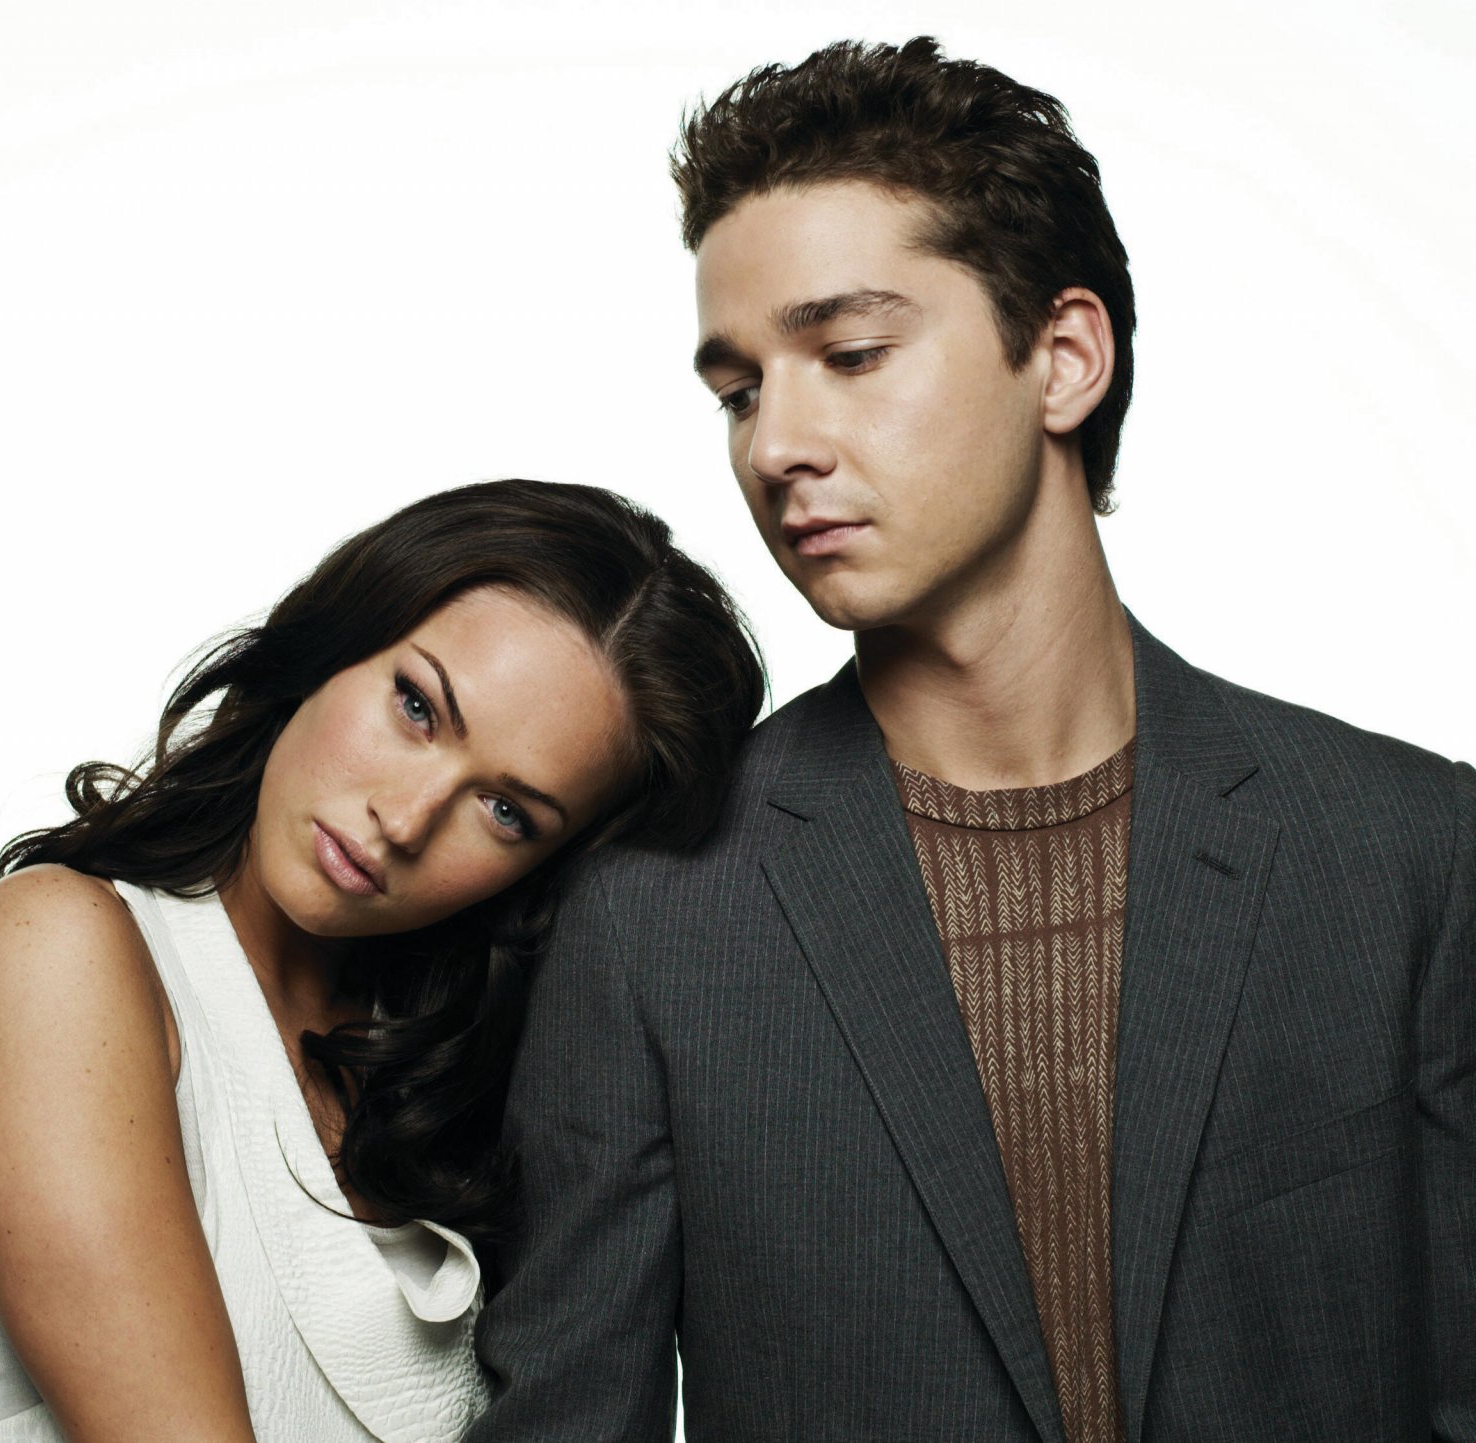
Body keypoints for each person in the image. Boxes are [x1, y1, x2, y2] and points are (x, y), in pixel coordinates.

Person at [470, 37, 1473, 1443]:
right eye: (739, 390)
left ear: (1063, 359)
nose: (775, 444)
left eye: (850, 354)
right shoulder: (653, 916)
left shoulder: (1409, 853)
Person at [0, 478, 764, 1443]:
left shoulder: (452, 1080)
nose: (404, 818)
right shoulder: (54, 955)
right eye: (418, 707)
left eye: (506, 811)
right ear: (339, 635)